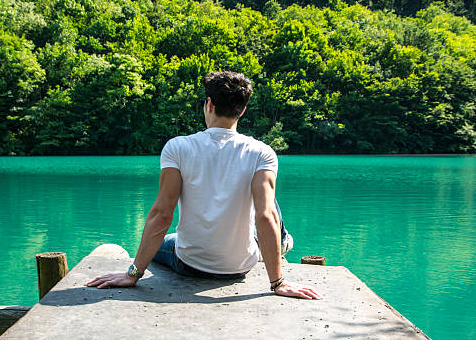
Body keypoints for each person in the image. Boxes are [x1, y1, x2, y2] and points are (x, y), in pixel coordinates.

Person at [86, 71, 321, 300]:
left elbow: (162, 213)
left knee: (167, 240)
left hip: (190, 264)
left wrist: (133, 274)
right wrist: (278, 283)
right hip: (240, 266)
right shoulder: (262, 153)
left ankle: (264, 244)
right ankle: (281, 242)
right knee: (268, 200)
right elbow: (266, 215)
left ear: (208, 104)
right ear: (243, 109)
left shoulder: (177, 148)